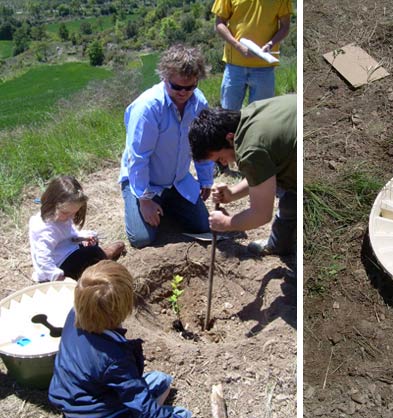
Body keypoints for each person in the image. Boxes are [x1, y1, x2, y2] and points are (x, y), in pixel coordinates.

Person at [48, 260, 195, 418]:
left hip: (78, 402)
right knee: (181, 416)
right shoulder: (114, 358)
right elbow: (146, 412)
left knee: (162, 381)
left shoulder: (74, 315)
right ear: (124, 308)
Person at [119, 44, 213, 249]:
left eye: (190, 87)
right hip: (146, 182)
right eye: (176, 87)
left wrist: (205, 180)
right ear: (164, 77)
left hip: (178, 180)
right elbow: (138, 158)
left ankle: (167, 203)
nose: (183, 93)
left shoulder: (199, 103)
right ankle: (145, 202)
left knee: (203, 225)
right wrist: (144, 200)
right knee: (142, 239)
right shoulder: (148, 108)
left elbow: (202, 144)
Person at [188, 94, 296, 256]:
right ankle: (280, 245)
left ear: (229, 139)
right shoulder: (249, 114)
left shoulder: (250, 150)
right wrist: (232, 194)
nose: (223, 164)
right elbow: (262, 175)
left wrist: (226, 223)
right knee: (289, 202)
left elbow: (261, 215)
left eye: (220, 158)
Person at [29, 176, 125, 282]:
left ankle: (100, 257)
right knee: (92, 253)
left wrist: (80, 237)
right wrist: (60, 278)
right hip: (57, 268)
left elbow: (65, 235)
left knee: (92, 245)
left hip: (66, 254)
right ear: (52, 204)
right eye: (66, 213)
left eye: (74, 213)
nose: (70, 217)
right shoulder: (45, 229)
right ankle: (105, 256)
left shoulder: (60, 217)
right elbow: (43, 260)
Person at [212, 0, 293, 110]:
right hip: (234, 66)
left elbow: (285, 26)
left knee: (260, 116)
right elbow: (219, 23)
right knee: (227, 115)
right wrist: (238, 46)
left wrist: (271, 43)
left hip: (264, 68)